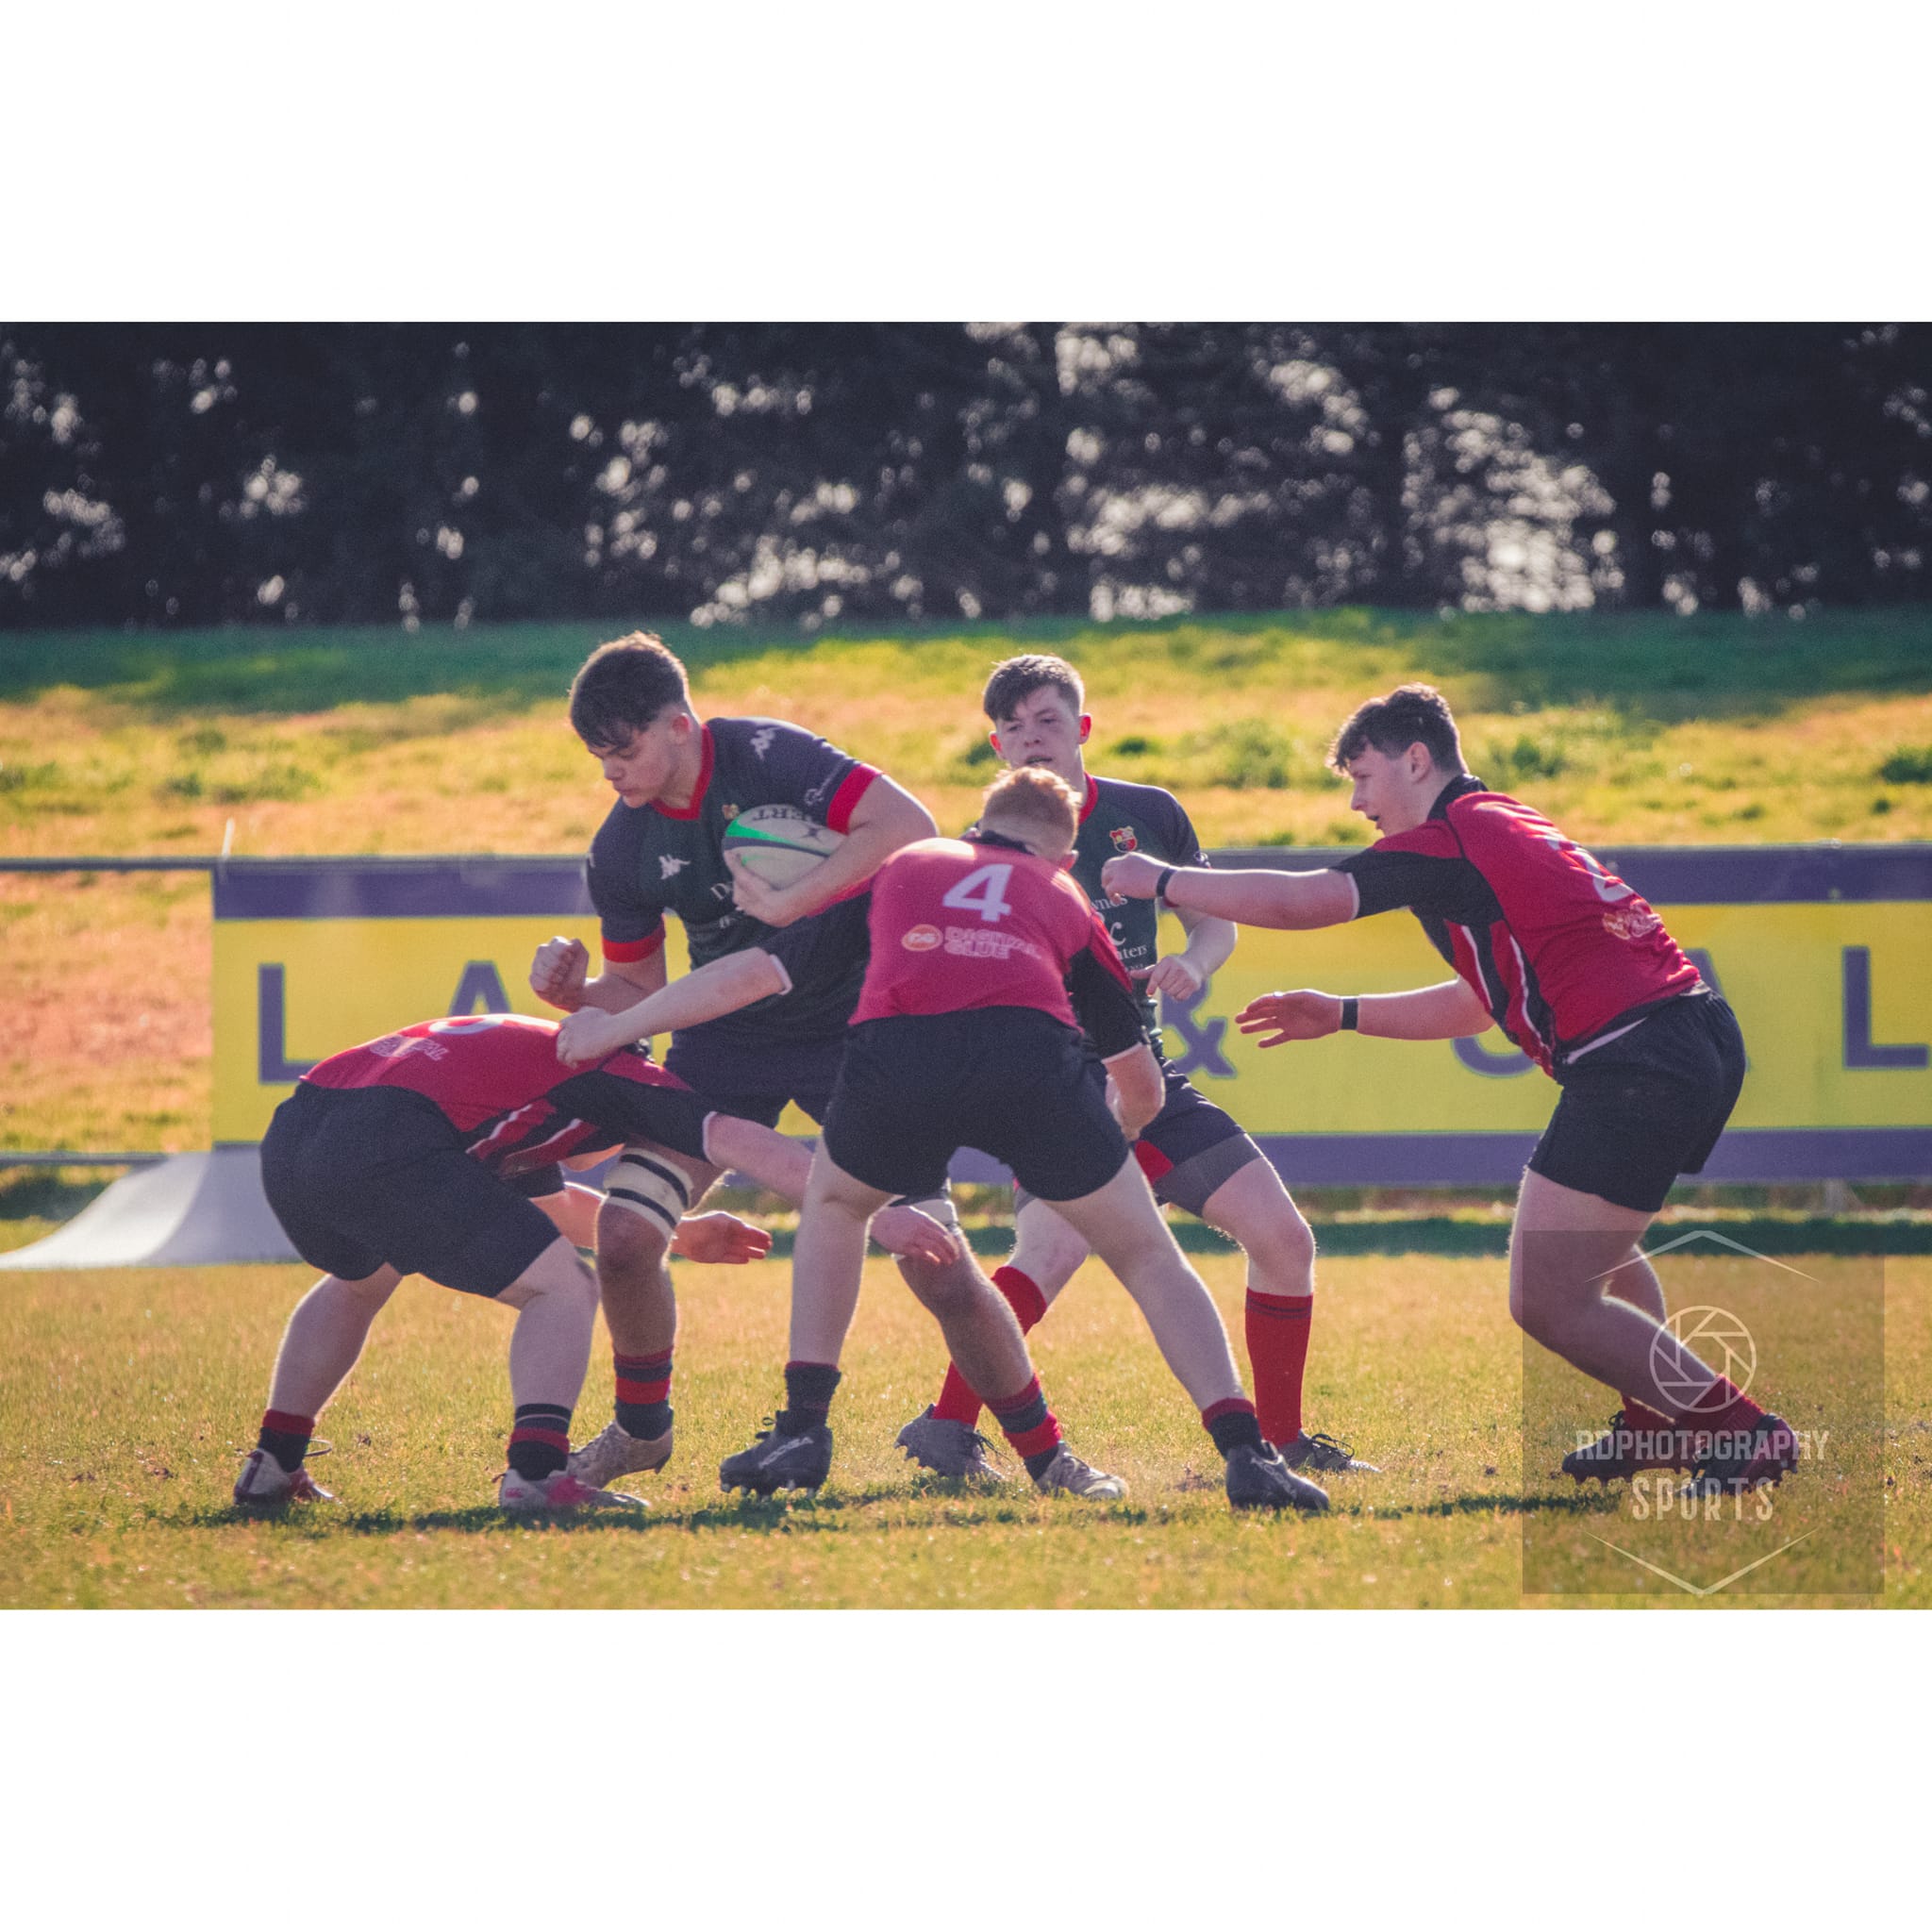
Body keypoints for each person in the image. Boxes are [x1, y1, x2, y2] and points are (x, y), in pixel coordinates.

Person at [1100, 683, 1797, 1496]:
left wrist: (1164, 880)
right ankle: (1651, 1425)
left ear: (1417, 759)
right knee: (1603, 1253)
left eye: (1363, 776)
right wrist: (1346, 1013)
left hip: (1637, 1056)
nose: (1357, 800)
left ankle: (1742, 1431)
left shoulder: (1454, 836)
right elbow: (1480, 1002)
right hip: (1682, 1038)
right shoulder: (1498, 822)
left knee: (1548, 1300)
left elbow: (1307, 900)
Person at [718, 767, 1331, 1511]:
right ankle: (1246, 1453)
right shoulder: (1065, 897)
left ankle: (803, 1427)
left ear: (978, 823)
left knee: (837, 1207)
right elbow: (1140, 1080)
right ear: (1064, 857)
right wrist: (1117, 1142)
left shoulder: (906, 865)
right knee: (1146, 1253)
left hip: (899, 1060)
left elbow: (764, 970)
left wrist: (625, 1025)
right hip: (1033, 1068)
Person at [528, 631, 1006, 1493]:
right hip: (723, 1042)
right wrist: (578, 994)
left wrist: (791, 902)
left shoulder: (768, 754)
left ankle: (1042, 1446)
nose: (611, 773)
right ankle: (641, 1432)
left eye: (624, 750)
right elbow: (641, 986)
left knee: (934, 1257)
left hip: (853, 1022)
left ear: (680, 724)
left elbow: (908, 827)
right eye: (597, 758)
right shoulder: (619, 847)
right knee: (626, 1235)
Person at [893, 653, 1371, 1485]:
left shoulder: (1149, 814)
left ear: (1081, 730)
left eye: (1046, 722)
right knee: (1047, 1257)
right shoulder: (981, 851)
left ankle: (1284, 1438)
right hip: (1054, 1089)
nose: (1031, 740)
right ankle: (949, 1428)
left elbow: (1212, 921)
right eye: (1013, 729)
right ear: (996, 747)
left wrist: (1197, 960)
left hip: (1146, 1073)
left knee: (1284, 1238)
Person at [232, 1011, 957, 1515]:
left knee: (363, 1279)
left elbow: (541, 1207)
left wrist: (685, 1232)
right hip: (387, 1136)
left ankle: (273, 1462)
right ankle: (539, 1476)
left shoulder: (520, 1078)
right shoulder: (615, 1074)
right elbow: (739, 1139)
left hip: (299, 1132)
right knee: (563, 1291)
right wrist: (872, 1210)